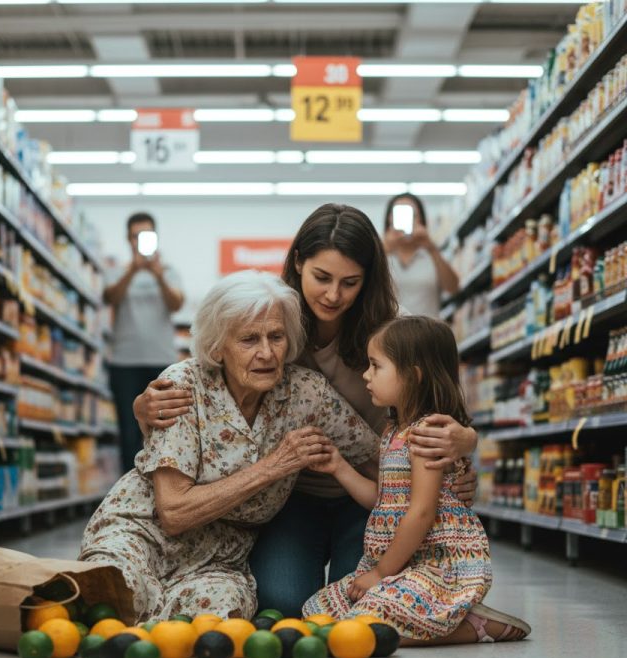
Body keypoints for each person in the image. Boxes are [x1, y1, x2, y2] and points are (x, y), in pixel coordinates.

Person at [134, 203, 478, 618]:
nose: (334, 295)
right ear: (298, 263)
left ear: (368, 279)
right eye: (322, 278)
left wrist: (464, 439)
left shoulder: (394, 333)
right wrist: (143, 407)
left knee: (363, 597)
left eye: (350, 282)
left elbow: (439, 403)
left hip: (374, 491)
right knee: (283, 601)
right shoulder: (270, 316)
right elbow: (207, 383)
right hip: (292, 494)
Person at [78, 271, 379, 621]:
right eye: (249, 339)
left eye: (276, 336)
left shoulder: (307, 394)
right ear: (217, 346)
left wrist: (446, 474)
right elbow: (173, 512)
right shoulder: (181, 387)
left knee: (222, 612)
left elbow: (377, 457)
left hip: (221, 558)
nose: (267, 352)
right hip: (144, 530)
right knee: (113, 597)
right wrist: (274, 466)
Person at [303, 316, 530, 643]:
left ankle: (475, 627)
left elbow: (421, 513)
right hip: (398, 565)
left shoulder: (428, 435)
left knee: (365, 626)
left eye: (375, 366)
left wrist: (381, 574)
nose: (366, 375)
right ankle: (439, 618)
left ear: (413, 375)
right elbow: (381, 501)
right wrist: (338, 466)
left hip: (435, 568)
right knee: (318, 609)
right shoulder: (392, 433)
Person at [104, 212, 184, 472]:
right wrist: (133, 271)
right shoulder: (117, 272)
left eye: (145, 235)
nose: (140, 241)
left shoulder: (169, 272)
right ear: (128, 239)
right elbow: (110, 299)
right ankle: (129, 494)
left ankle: (164, 487)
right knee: (128, 432)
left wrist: (157, 274)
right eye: (136, 236)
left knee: (166, 429)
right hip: (124, 362)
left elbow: (176, 304)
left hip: (162, 361)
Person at [383, 193, 460, 319]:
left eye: (412, 215)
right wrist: (383, 250)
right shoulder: (382, 255)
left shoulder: (431, 254)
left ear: (421, 220)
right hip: (390, 334)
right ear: (390, 219)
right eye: (399, 214)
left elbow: (453, 287)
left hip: (429, 333)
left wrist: (431, 247)